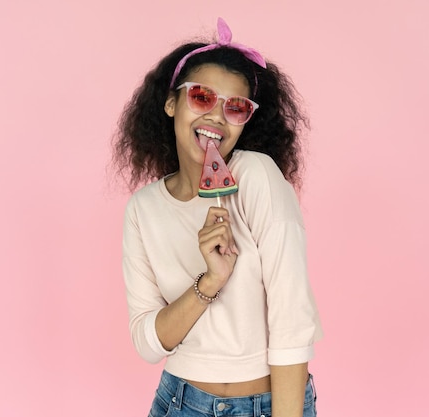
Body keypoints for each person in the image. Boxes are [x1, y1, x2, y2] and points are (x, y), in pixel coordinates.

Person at [113, 17, 323, 417]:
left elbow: (292, 317)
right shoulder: (143, 209)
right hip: (178, 402)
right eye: (202, 97)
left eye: (236, 107)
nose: (216, 117)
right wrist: (210, 281)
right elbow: (147, 342)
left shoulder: (256, 176)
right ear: (172, 103)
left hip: (268, 406)